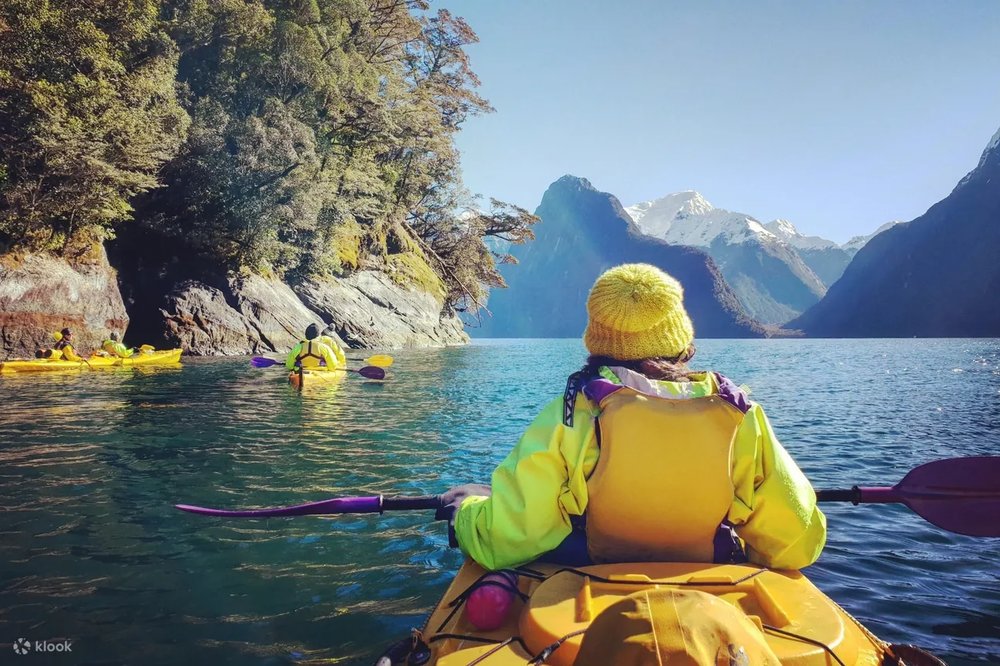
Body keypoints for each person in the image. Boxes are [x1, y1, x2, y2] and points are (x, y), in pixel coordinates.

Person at [440, 263, 827, 572]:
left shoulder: (575, 412)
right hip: (708, 576)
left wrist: (468, 513)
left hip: (593, 572)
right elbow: (798, 542)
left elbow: (509, 538)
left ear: (598, 338)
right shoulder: (740, 414)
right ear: (681, 338)